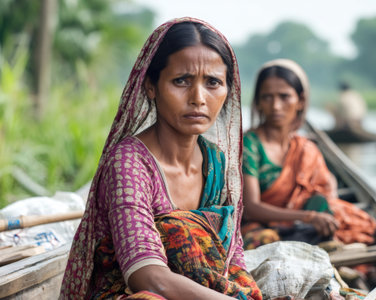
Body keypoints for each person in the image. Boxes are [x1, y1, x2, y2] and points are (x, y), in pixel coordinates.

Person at [60, 18, 261, 300]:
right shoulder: (129, 163)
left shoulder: (216, 163)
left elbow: (233, 260)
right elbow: (147, 276)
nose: (198, 98)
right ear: (151, 86)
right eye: (181, 81)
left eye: (213, 83)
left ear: (227, 91)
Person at [241, 59, 376, 250]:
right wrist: (307, 217)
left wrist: (316, 214)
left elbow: (323, 193)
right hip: (263, 226)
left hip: (304, 225)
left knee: (358, 222)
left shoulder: (306, 149)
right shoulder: (249, 144)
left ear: (300, 101)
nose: (276, 106)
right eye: (267, 97)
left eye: (284, 96)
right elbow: (251, 208)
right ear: (258, 102)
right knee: (263, 241)